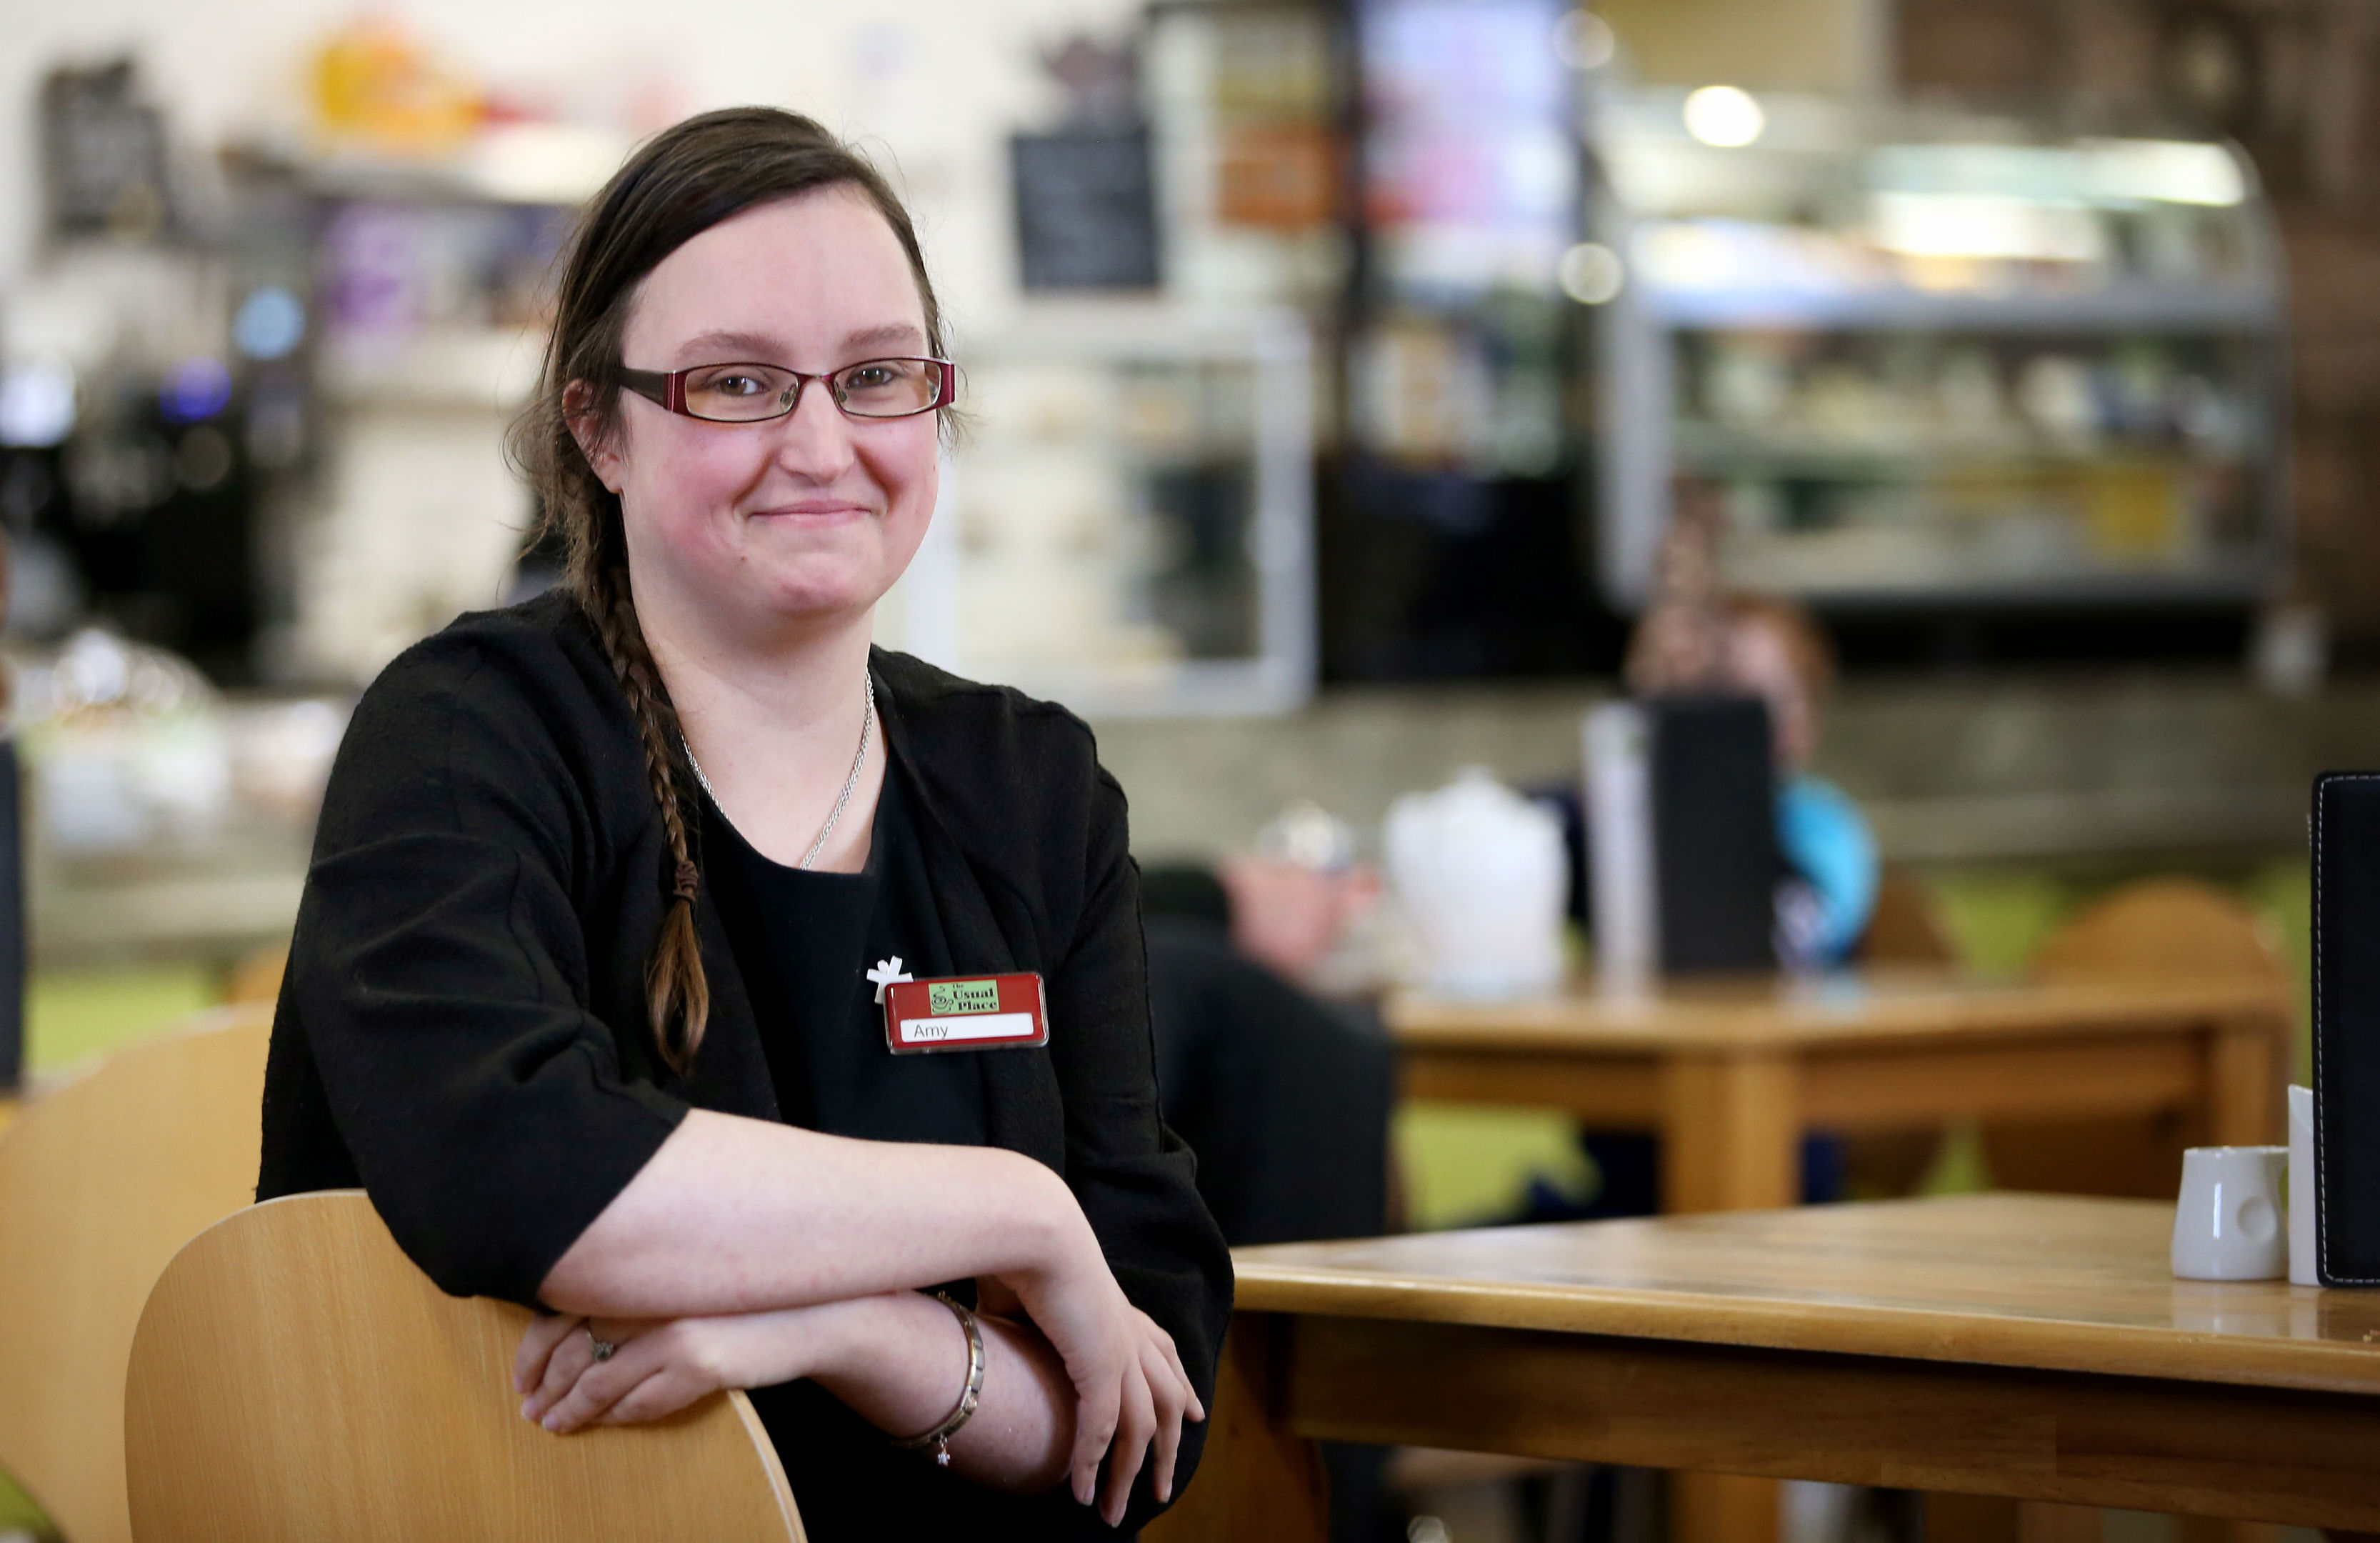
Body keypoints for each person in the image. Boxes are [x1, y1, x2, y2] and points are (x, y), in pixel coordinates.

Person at [256, 107, 1228, 1541]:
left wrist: (857, 1332)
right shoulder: (468, 730)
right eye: (738, 385)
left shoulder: (1030, 786)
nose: (824, 443)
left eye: (877, 377)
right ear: (597, 428)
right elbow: (516, 1174)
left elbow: (1136, 1419)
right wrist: (1018, 1212)